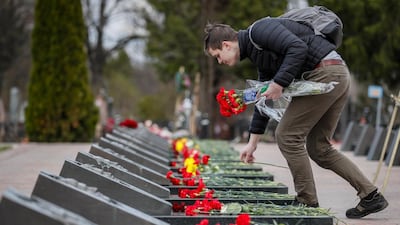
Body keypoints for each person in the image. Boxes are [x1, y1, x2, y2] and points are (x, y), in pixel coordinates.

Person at [203, 14, 388, 219]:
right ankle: (371, 196)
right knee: (319, 147)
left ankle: (307, 201)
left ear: (227, 45)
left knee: (287, 136)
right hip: (335, 74)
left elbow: (297, 48)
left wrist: (279, 83)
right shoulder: (260, 55)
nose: (220, 61)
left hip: (326, 75)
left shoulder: (260, 30)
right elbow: (263, 101)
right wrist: (252, 143)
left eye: (218, 55)